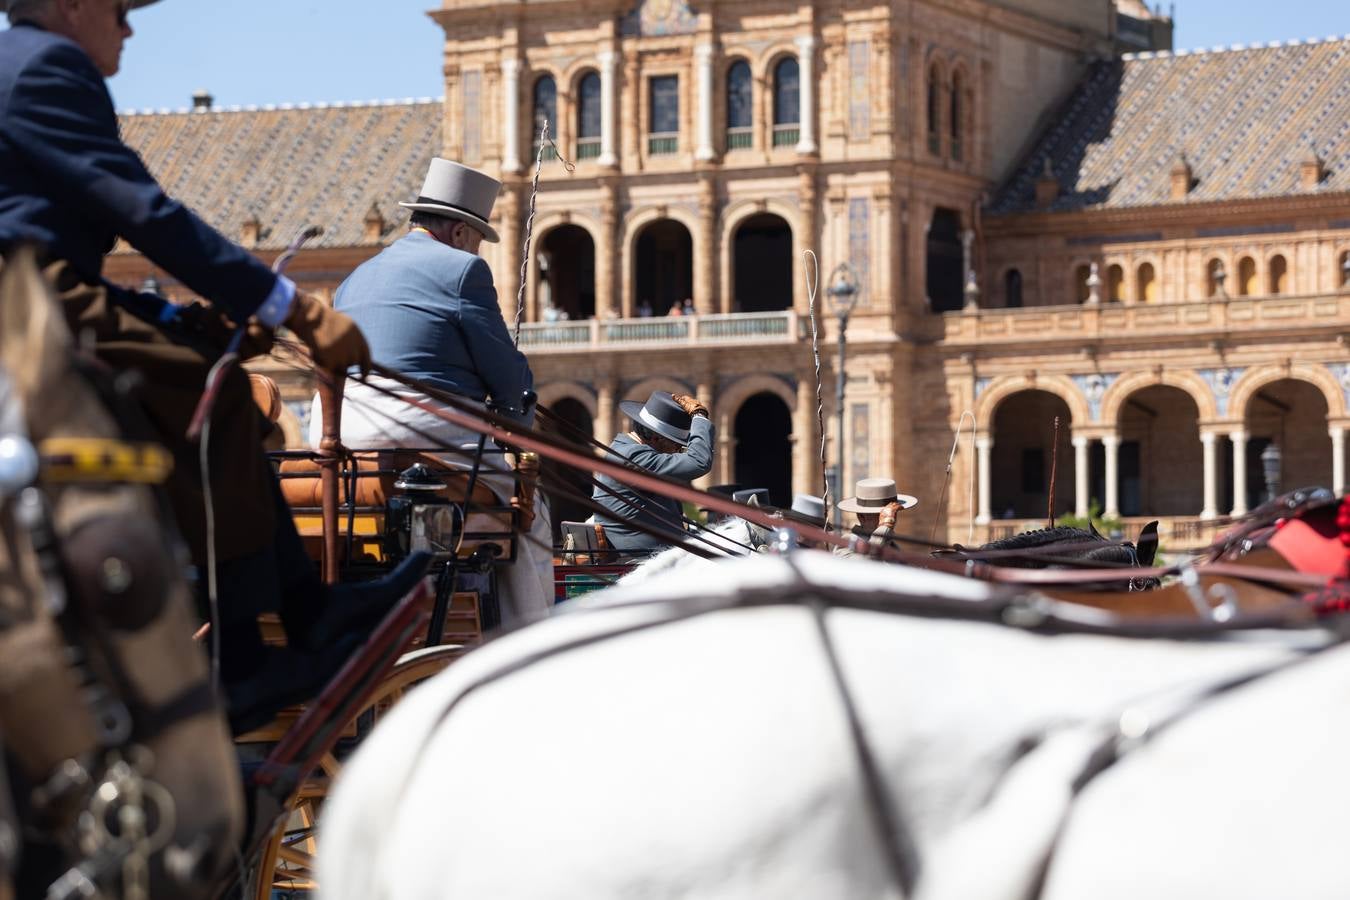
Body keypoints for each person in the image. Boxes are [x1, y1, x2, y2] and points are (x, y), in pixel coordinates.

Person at [0, 0, 427, 734]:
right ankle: (253, 651)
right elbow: (144, 213)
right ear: (70, 7)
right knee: (216, 392)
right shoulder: (46, 65)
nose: (128, 28)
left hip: (46, 284)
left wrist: (179, 319)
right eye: (117, 10)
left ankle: (296, 614)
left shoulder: (21, 64)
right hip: (28, 299)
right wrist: (295, 307)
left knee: (210, 369)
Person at [307, 158, 553, 627]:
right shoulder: (464, 271)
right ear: (461, 232)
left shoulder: (354, 277)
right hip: (419, 433)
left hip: (336, 434)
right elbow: (510, 382)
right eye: (479, 236)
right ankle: (526, 634)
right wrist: (518, 433)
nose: (477, 248)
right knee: (529, 510)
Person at [592, 391, 715, 553]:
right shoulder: (634, 457)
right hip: (640, 560)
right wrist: (699, 416)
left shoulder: (625, 450)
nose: (678, 451)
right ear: (657, 439)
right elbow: (699, 461)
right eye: (677, 445)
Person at [834, 478, 918, 557]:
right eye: (883, 515)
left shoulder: (892, 546)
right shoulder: (846, 544)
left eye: (893, 513)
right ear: (861, 517)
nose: (893, 519)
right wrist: (885, 525)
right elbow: (866, 564)